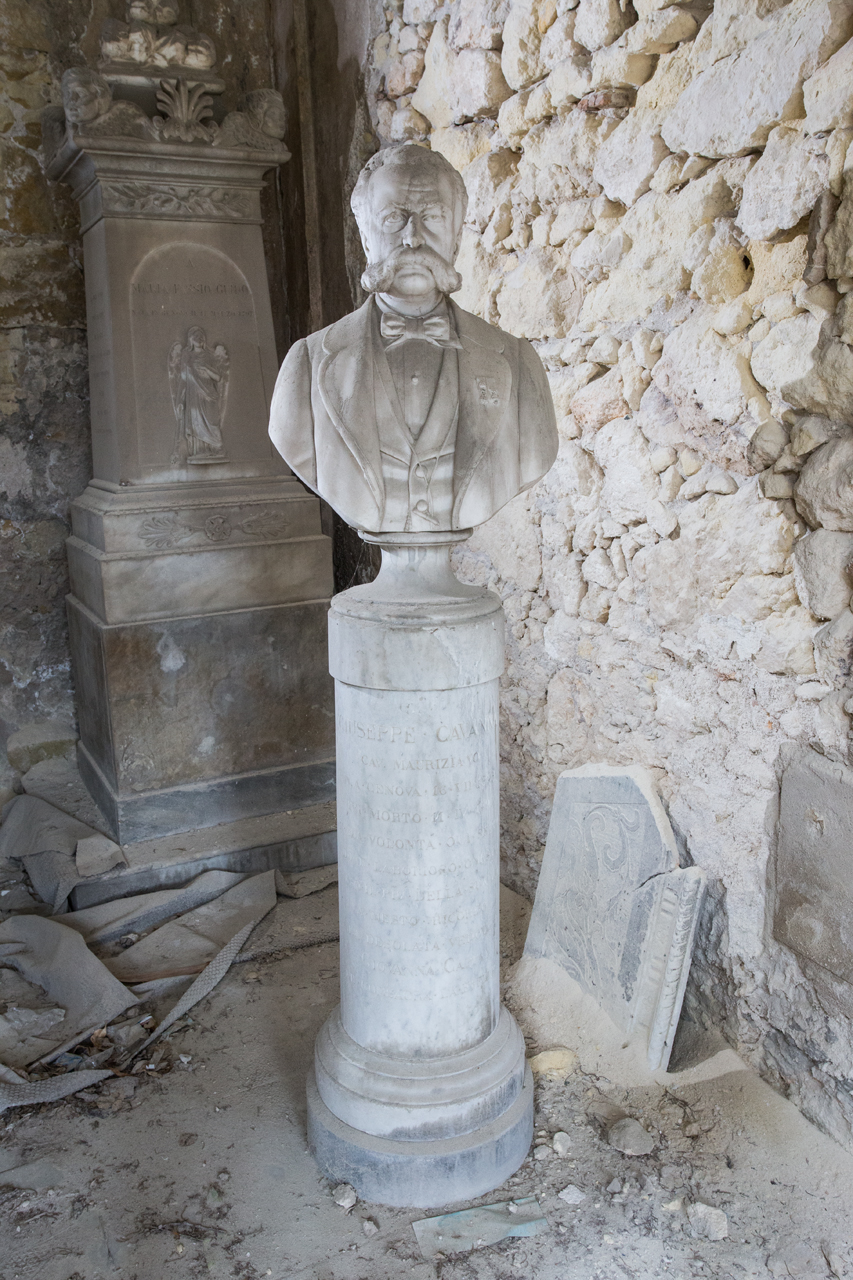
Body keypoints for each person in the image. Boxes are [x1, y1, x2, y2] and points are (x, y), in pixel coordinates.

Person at [268, 143, 556, 534]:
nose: (413, 238)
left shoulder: (519, 364)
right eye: (393, 219)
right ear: (366, 238)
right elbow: (294, 442)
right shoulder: (306, 365)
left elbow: (535, 454)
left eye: (432, 217)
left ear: (456, 236)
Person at [168, 327, 229, 464]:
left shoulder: (209, 355)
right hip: (193, 395)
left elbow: (218, 377)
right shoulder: (186, 356)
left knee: (212, 422)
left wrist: (206, 369)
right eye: (196, 337)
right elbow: (183, 378)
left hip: (209, 394)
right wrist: (180, 400)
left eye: (201, 337)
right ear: (191, 340)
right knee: (196, 424)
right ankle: (199, 452)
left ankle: (216, 449)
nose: (199, 339)